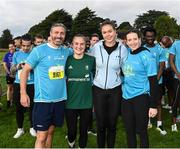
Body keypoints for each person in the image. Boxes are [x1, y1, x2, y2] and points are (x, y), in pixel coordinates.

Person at [20, 23, 72, 148]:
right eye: (56, 32)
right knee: (41, 136)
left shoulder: (66, 51)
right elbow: (25, 71)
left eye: (62, 33)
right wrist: (23, 93)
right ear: (50, 34)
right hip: (43, 101)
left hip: (60, 100)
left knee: (51, 132)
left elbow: (80, 51)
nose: (59, 36)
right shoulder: (39, 50)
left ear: (65, 35)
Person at [90, 19, 128, 148]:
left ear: (115, 31)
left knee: (112, 124)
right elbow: (89, 65)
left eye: (110, 31)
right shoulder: (96, 47)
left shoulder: (123, 49)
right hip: (98, 90)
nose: (108, 34)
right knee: (100, 124)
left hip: (115, 90)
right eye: (104, 32)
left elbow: (127, 70)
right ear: (102, 34)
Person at [121, 29, 158, 148]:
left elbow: (153, 82)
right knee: (129, 130)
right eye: (129, 40)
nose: (133, 42)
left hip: (141, 97)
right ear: (126, 42)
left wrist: (153, 105)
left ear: (140, 39)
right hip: (126, 98)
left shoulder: (147, 55)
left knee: (142, 131)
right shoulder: (127, 54)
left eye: (135, 39)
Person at [65, 34, 95, 148]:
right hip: (70, 102)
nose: (79, 46)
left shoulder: (91, 60)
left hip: (86, 102)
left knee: (84, 131)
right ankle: (71, 144)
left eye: (82, 44)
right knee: (71, 131)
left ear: (86, 45)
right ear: (72, 45)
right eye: (76, 44)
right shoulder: (66, 60)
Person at [11, 34, 36, 139]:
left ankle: (32, 127)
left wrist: (30, 67)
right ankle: (20, 129)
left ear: (31, 45)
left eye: (28, 46)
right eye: (24, 46)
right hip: (18, 84)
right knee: (19, 108)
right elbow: (12, 70)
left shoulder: (35, 53)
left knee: (32, 107)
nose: (25, 48)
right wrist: (19, 66)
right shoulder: (16, 54)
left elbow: (39, 69)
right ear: (20, 44)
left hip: (32, 84)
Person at [143, 27, 167, 135]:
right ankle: (147, 122)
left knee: (158, 102)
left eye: (152, 36)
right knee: (145, 102)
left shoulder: (160, 49)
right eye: (148, 36)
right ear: (144, 37)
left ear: (155, 37)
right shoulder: (142, 49)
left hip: (157, 81)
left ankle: (159, 124)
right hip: (144, 81)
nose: (150, 38)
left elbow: (162, 67)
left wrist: (155, 81)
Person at [163, 37, 180, 132]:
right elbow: (171, 61)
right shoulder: (176, 44)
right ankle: (174, 124)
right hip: (177, 78)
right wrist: (177, 73)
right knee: (176, 100)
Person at [3, 41, 16, 108]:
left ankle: (12, 101)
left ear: (15, 47)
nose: (11, 48)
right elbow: (4, 65)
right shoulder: (6, 55)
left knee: (14, 88)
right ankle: (8, 102)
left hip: (16, 75)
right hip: (9, 75)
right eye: (9, 47)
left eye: (12, 46)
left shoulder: (17, 54)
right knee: (9, 87)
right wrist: (8, 73)